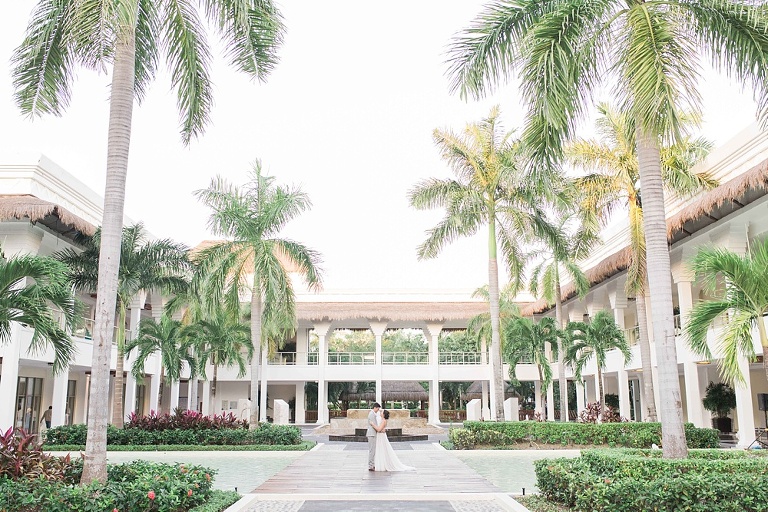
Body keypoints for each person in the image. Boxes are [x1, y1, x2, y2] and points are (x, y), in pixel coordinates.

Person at [366, 402, 381, 471]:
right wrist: (379, 429)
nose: (378, 410)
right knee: (372, 450)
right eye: (378, 409)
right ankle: (371, 465)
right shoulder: (372, 414)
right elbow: (373, 424)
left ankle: (372, 464)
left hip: (372, 433)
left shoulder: (372, 414)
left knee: (373, 450)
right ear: (375, 407)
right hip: (371, 434)